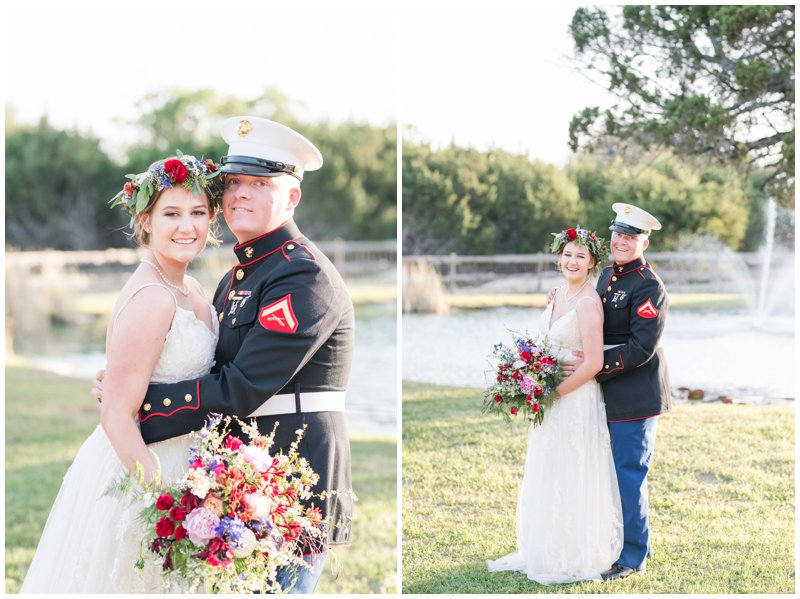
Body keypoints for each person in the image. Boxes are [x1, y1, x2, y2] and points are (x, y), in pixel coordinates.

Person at [94, 116, 355, 593]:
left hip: (291, 484)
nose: (240, 194)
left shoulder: (302, 277)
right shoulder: (239, 276)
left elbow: (240, 388)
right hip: (239, 482)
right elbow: (207, 367)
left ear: (292, 197)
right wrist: (125, 383)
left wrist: (137, 404)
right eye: (234, 182)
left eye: (260, 183)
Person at [21, 154, 223, 593]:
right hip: (144, 471)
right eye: (171, 214)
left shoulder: (192, 288)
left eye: (198, 213)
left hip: (189, 462)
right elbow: (115, 414)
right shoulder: (153, 295)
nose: (186, 226)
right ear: (146, 220)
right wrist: (165, 504)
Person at [487, 227, 623, 584]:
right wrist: (529, 372)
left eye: (580, 256)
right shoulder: (558, 294)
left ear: (593, 261)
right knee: (550, 467)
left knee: (574, 469)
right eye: (567, 254)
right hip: (550, 397)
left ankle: (575, 550)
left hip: (574, 399)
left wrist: (554, 393)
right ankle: (546, 545)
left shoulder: (589, 303)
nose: (572, 261)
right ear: (558, 257)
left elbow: (593, 362)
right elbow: (543, 343)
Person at [555, 203, 672, 580]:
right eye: (618, 233)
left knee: (628, 474)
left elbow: (641, 348)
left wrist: (592, 366)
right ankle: (630, 542)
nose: (621, 241)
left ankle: (633, 557)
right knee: (607, 472)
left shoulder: (648, 285)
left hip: (635, 394)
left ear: (644, 241)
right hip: (605, 392)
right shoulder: (607, 276)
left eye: (631, 236)